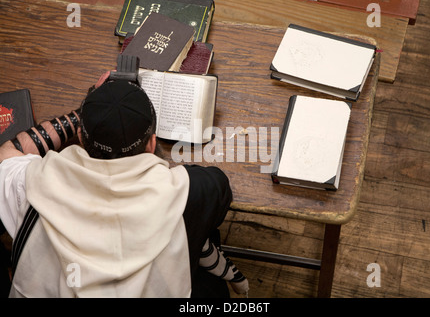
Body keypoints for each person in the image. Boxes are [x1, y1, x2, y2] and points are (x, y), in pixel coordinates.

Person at [0, 73, 248, 297]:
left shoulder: (33, 184)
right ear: (151, 145)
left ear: (81, 139)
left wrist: (80, 115)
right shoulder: (191, 192)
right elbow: (220, 187)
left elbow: (7, 153)